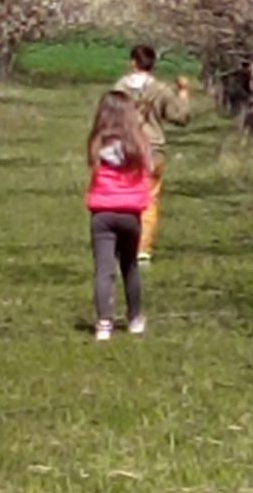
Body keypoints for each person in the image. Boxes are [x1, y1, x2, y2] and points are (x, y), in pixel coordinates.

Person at [85, 90, 153, 341]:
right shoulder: (139, 144)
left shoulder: (97, 143)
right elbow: (150, 168)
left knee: (104, 269)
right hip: (130, 213)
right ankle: (134, 318)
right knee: (130, 266)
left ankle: (104, 322)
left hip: (102, 212)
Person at [114, 44, 191, 263]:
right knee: (149, 200)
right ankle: (143, 249)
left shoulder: (120, 88)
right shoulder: (161, 90)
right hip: (154, 151)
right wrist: (183, 93)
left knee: (125, 197)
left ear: (132, 63)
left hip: (127, 150)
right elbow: (181, 117)